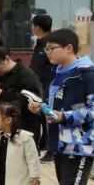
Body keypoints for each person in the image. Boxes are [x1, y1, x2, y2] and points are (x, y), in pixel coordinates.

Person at [28, 29, 94, 185]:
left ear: (69, 48)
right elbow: (57, 106)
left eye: (52, 48)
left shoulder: (88, 74)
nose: (47, 53)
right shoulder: (59, 72)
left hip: (81, 144)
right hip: (59, 142)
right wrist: (42, 108)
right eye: (46, 49)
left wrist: (64, 116)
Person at [0, 37, 43, 150]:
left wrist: (2, 95)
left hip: (21, 130)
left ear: (6, 59)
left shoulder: (26, 75)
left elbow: (35, 102)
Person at [30, 14, 57, 160]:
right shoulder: (40, 43)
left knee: (47, 115)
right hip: (40, 85)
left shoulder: (49, 44)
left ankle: (51, 150)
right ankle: (44, 143)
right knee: (41, 115)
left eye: (33, 25)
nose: (32, 28)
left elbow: (45, 66)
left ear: (37, 27)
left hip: (47, 85)